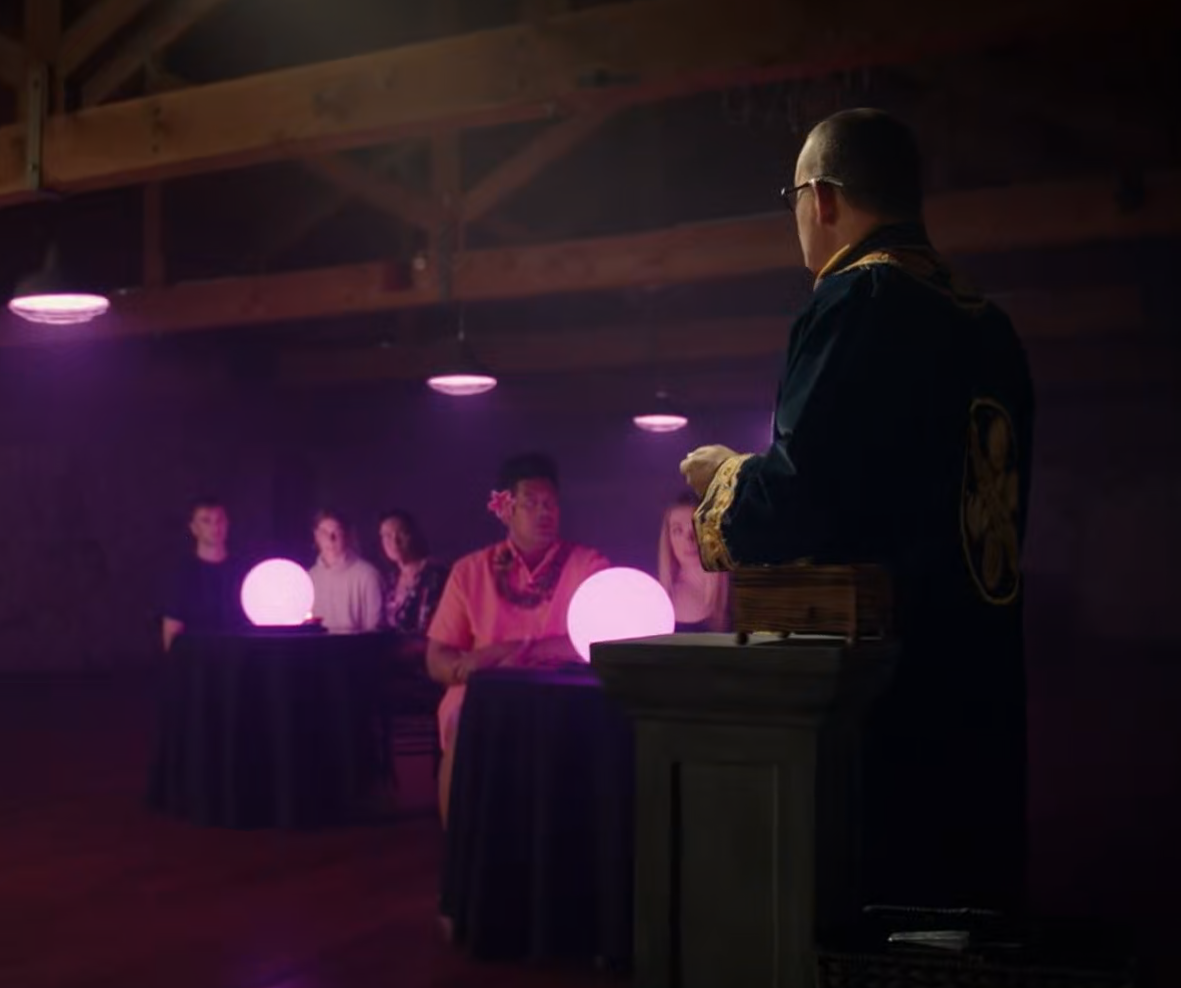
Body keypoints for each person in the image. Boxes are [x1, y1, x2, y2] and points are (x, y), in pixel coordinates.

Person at [679, 108, 1034, 918]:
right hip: (979, 660)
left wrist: (726, 478)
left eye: (793, 198)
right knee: (967, 910)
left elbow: (803, 495)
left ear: (825, 197)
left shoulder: (860, 296)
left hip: (888, 673)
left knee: (887, 909)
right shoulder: (990, 323)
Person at [425, 453, 612, 825]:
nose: (544, 512)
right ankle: (461, 849)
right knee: (462, 724)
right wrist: (465, 669)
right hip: (484, 695)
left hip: (564, 694)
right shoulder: (469, 571)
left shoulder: (588, 565)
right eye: (531, 503)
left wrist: (506, 652)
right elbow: (437, 656)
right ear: (505, 509)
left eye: (551, 503)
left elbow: (603, 639)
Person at [161, 497, 249, 652]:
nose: (215, 527)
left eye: (219, 520)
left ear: (227, 524)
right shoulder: (181, 575)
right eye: (206, 521)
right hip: (196, 661)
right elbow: (172, 630)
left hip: (239, 659)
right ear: (194, 528)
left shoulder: (245, 572)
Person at [657, 492, 731, 632]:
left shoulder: (737, 592)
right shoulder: (664, 603)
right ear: (669, 541)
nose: (689, 539)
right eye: (678, 530)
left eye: (697, 527)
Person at [378, 509, 451, 648]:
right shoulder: (391, 579)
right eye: (387, 536)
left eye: (401, 533)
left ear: (413, 536)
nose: (394, 542)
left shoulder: (435, 575)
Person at [307, 509, 385, 634]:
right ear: (316, 536)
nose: (331, 538)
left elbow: (375, 630)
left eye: (337, 532)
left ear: (347, 535)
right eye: (324, 533)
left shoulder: (368, 576)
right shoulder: (310, 578)